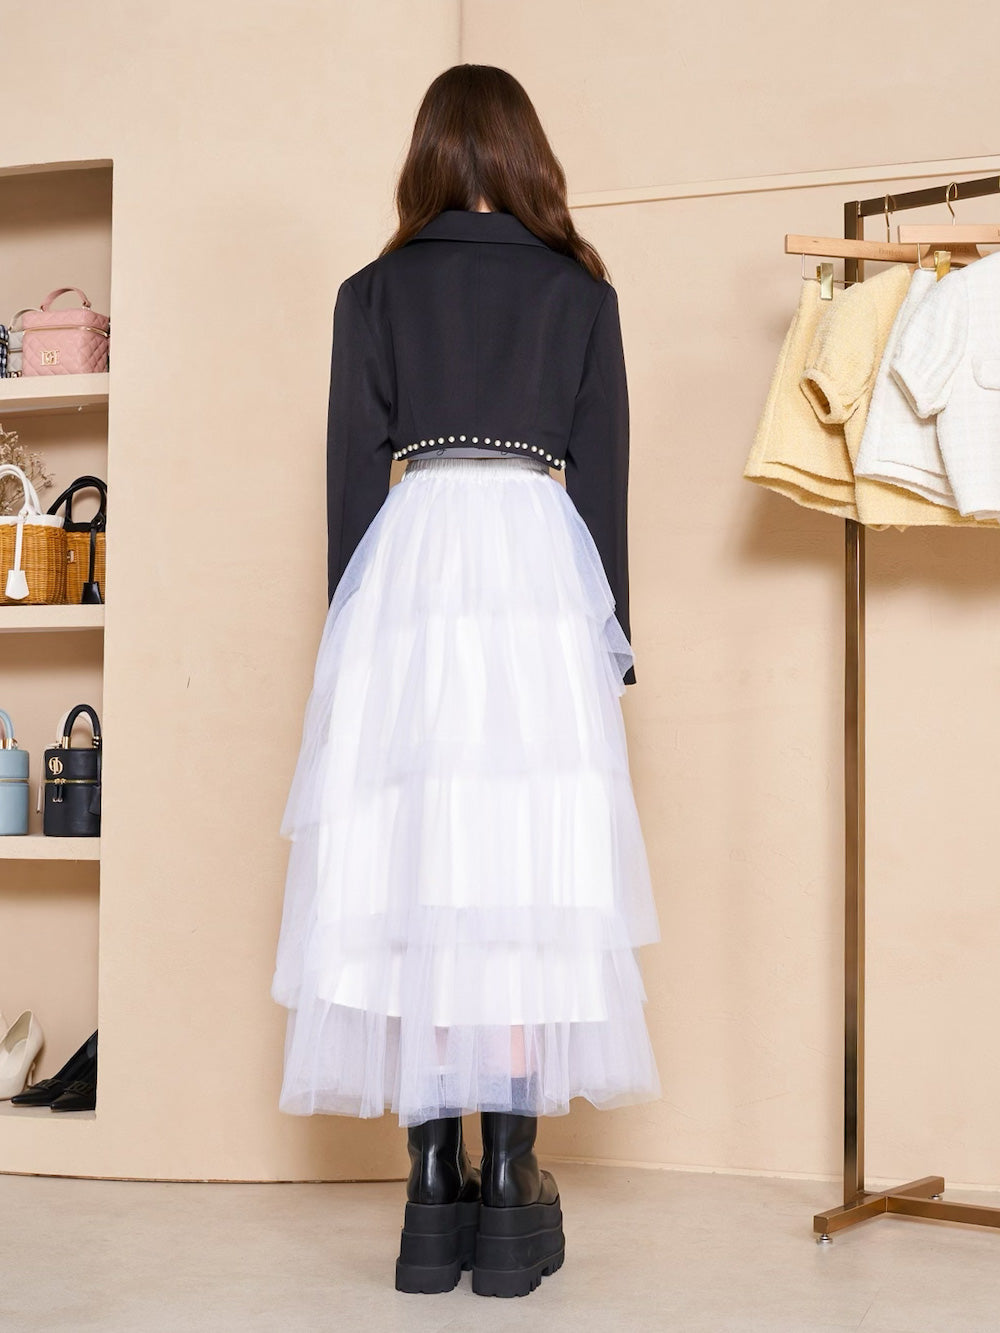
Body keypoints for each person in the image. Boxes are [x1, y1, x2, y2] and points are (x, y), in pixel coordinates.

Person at [271, 62, 661, 1300]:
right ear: (527, 154)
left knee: (416, 868)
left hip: (412, 572)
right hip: (539, 575)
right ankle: (509, 1181)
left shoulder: (371, 291)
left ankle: (429, 1182)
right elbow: (603, 480)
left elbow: (351, 479)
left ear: (426, 155)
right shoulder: (580, 293)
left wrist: (349, 644)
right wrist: (610, 644)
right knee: (524, 874)